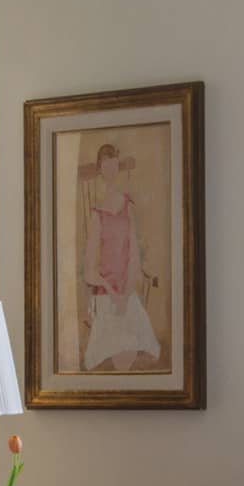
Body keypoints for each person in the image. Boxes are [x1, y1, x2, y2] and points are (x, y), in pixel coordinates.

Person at [81, 142, 160, 373]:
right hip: (106, 295)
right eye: (106, 166)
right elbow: (89, 270)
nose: (111, 171)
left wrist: (126, 292)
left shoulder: (127, 207)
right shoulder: (97, 214)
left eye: (114, 165)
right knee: (119, 350)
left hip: (127, 292)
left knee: (133, 349)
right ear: (100, 169)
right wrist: (112, 291)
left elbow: (134, 254)